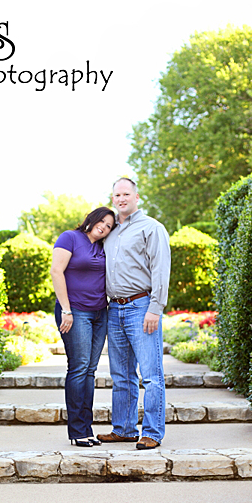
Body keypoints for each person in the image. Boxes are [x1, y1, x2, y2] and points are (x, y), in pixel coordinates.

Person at [95, 177, 171, 450]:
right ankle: (124, 429)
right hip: (114, 308)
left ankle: (152, 432)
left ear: (136, 197)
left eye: (126, 194)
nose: (121, 199)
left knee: (151, 375)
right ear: (112, 199)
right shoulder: (110, 231)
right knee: (121, 375)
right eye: (117, 195)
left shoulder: (152, 228)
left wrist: (155, 308)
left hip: (141, 307)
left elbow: (160, 269)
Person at [50, 206, 116, 447]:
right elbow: (56, 271)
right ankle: (77, 431)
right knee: (78, 368)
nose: (104, 227)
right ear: (92, 218)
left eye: (109, 226)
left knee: (90, 370)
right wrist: (66, 310)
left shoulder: (103, 247)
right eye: (102, 221)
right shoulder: (70, 237)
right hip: (75, 311)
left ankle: (86, 430)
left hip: (100, 313)